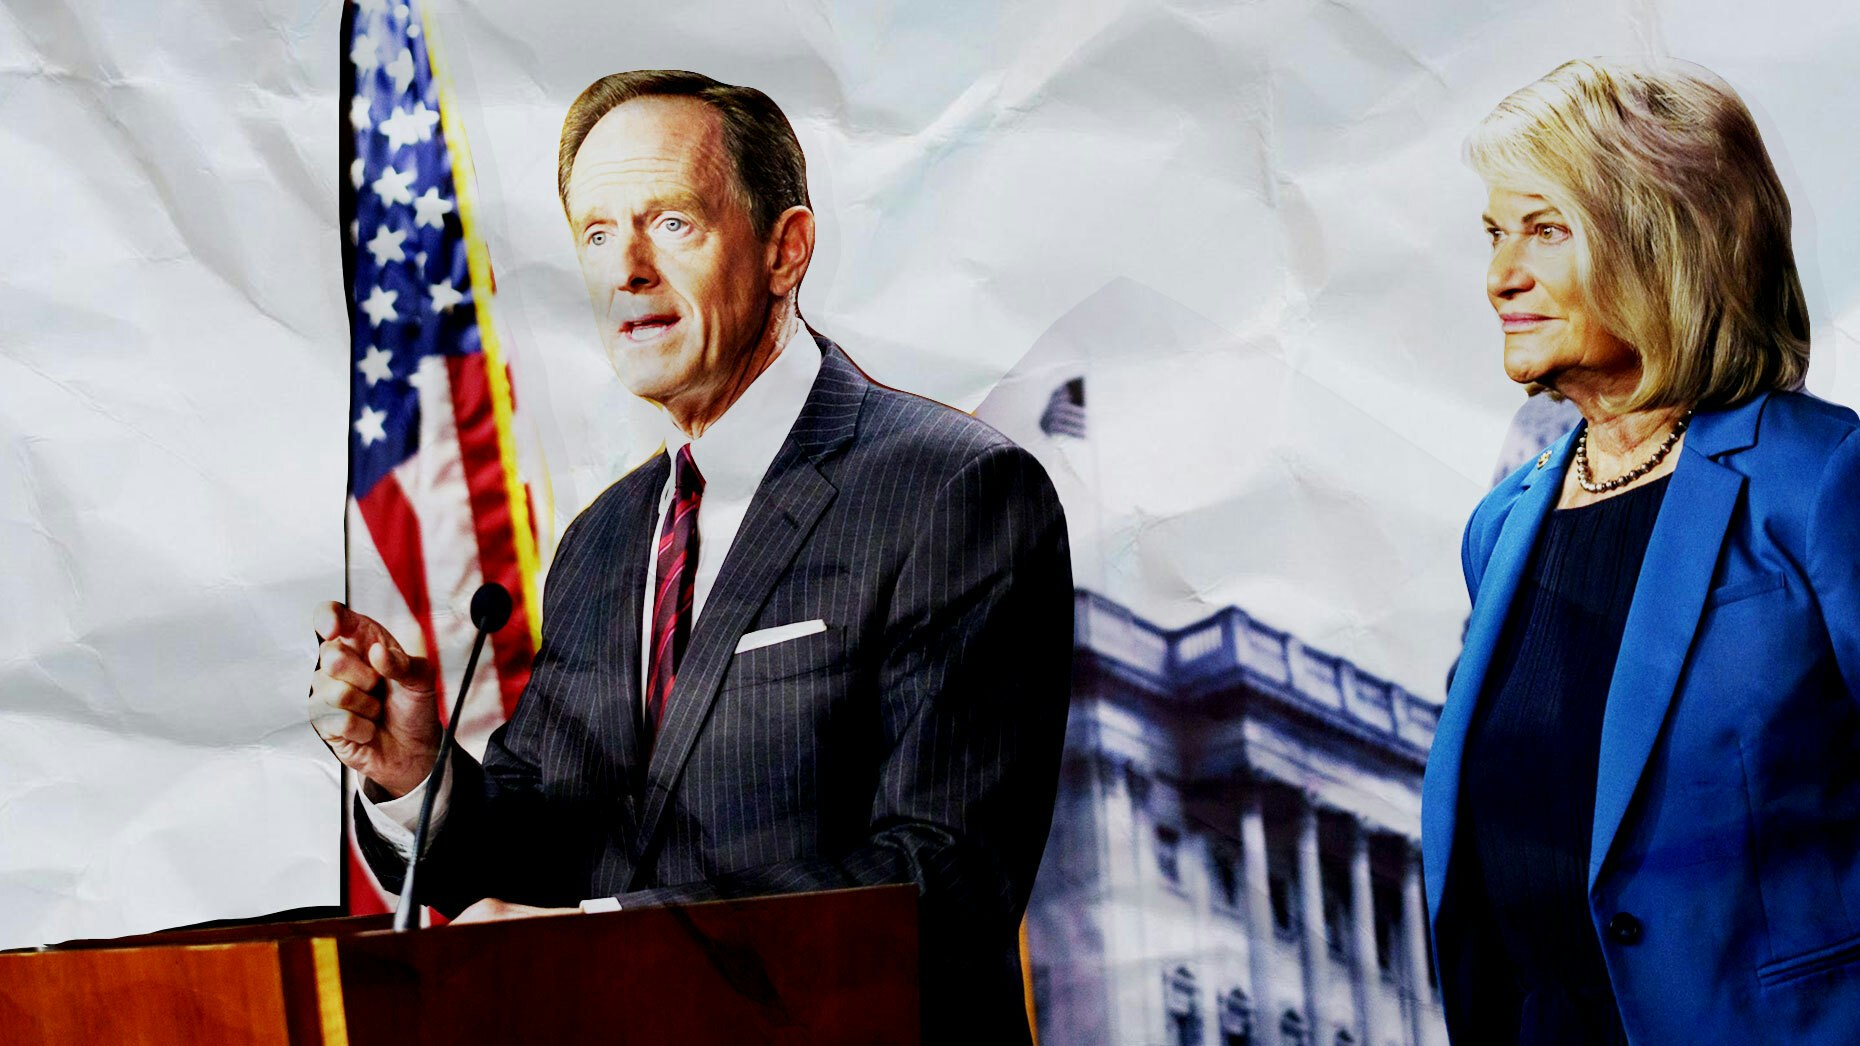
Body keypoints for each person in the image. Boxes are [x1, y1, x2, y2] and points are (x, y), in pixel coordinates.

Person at [309, 69, 1073, 1043]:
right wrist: (419, 769)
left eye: (669, 222)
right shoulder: (603, 540)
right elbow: (543, 857)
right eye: (595, 232)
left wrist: (606, 942)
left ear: (785, 247)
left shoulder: (953, 490)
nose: (624, 269)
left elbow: (944, 878)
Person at [1420, 58, 1860, 1043]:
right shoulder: (1501, 525)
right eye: (1494, 233)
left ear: (1663, 239)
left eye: (1544, 228)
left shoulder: (1822, 480)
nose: (1500, 276)